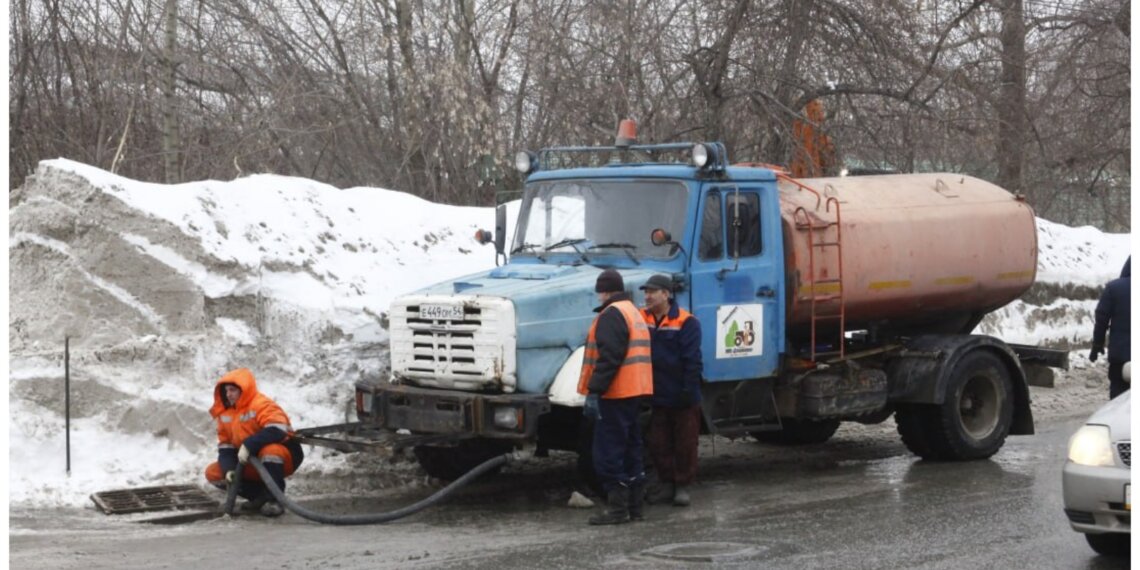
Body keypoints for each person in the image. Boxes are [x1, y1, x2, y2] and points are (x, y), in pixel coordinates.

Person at [577, 268, 653, 525]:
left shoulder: (611, 315)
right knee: (632, 449)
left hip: (616, 393)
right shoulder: (633, 312)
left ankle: (617, 509)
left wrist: (595, 389)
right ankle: (635, 508)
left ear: (604, 291)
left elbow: (610, 356)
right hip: (635, 391)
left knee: (608, 451)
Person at [638, 274, 703, 507]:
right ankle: (667, 484)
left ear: (666, 295)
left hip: (681, 394)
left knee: (685, 442)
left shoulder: (686, 322)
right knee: (658, 442)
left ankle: (682, 486)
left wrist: (688, 390)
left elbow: (692, 361)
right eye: (645, 292)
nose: (646, 296)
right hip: (656, 394)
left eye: (651, 292)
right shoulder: (641, 317)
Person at [204, 368, 304, 517]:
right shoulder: (225, 414)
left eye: (232, 390)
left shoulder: (261, 404)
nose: (228, 394)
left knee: (270, 451)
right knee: (213, 473)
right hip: (251, 460)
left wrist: (248, 445)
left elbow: (277, 429)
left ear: (243, 390)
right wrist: (229, 470)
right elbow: (226, 447)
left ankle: (275, 501)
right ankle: (260, 497)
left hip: (284, 457)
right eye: (226, 391)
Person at [1090, 257, 1131, 399]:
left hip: (1120, 358)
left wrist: (1097, 345)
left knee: (1118, 400)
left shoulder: (1114, 288)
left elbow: (1101, 319)